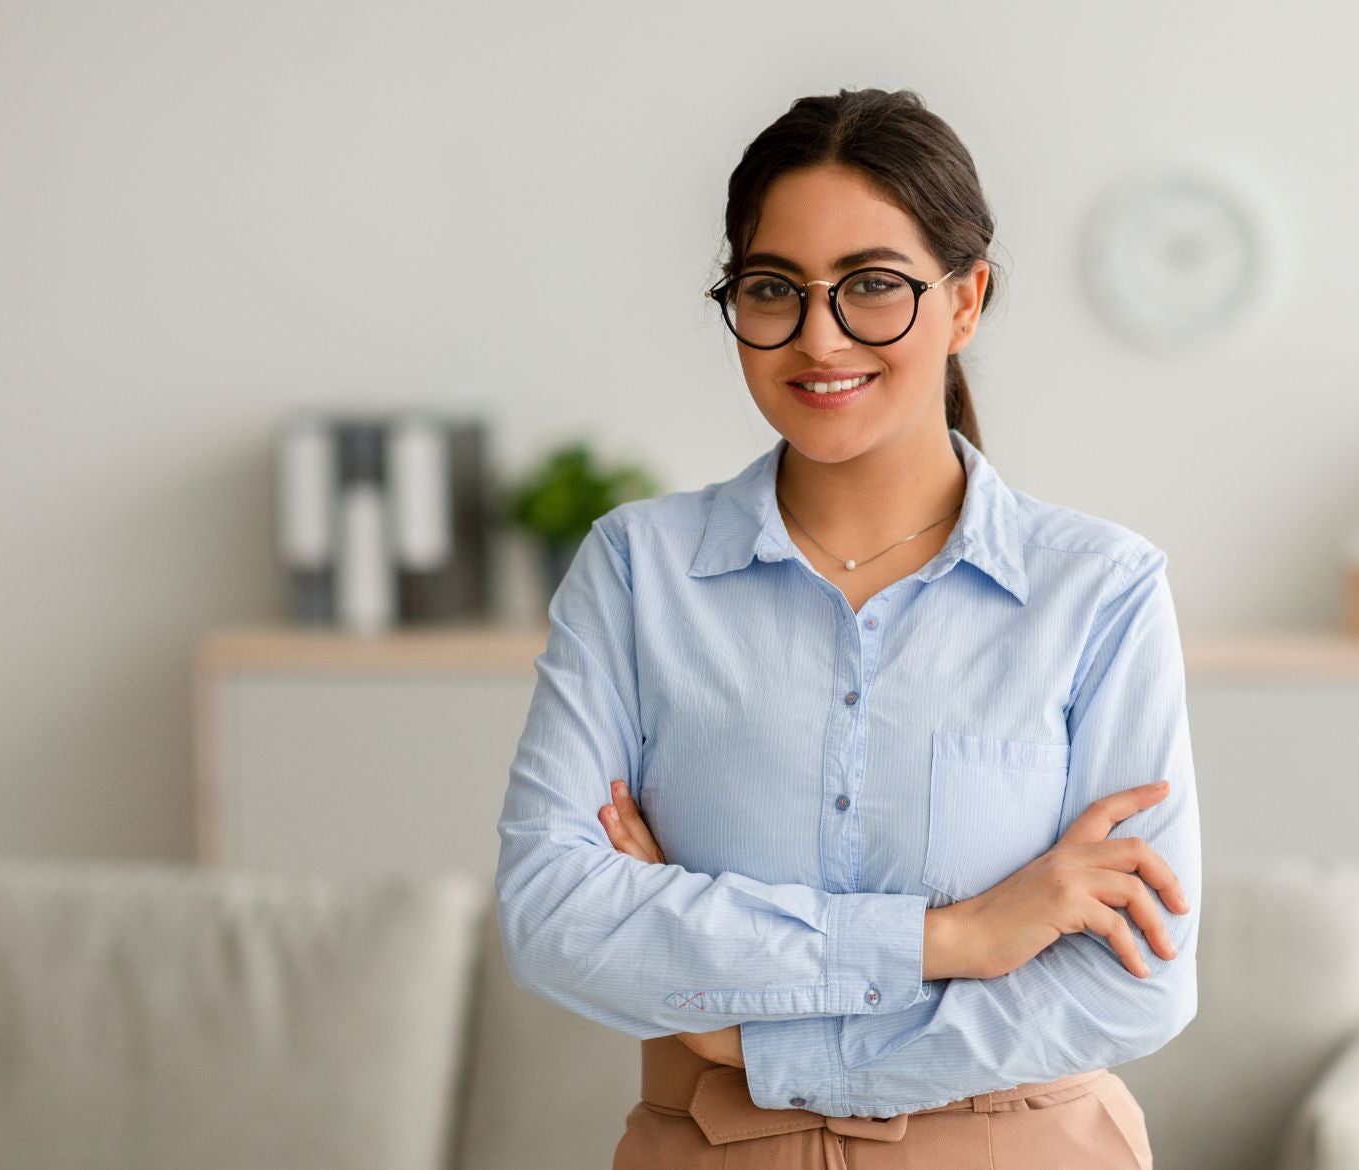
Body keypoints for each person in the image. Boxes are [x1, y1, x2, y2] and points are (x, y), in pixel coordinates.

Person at [494, 86, 1199, 1169]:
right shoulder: (640, 573)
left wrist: (743, 1030)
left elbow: (1132, 982)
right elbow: (554, 916)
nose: (818, 335)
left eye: (874, 286)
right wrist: (950, 940)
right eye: (774, 288)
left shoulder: (1097, 593)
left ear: (966, 302)